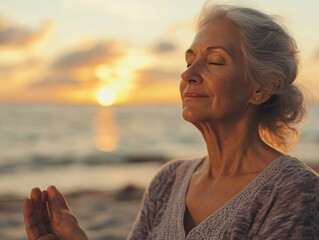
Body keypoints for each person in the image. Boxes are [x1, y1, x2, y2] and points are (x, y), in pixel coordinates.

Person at [23, 3, 319, 240]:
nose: (188, 74)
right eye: (189, 61)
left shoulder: (294, 191)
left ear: (261, 88)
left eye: (215, 60)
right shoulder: (168, 181)